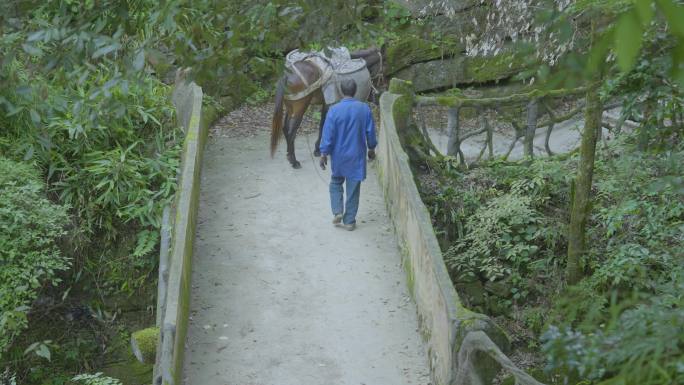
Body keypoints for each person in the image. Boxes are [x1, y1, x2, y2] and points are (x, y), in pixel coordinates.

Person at [318, 79, 377, 231]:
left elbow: (327, 134)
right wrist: (371, 148)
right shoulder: (364, 109)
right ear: (355, 90)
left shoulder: (334, 110)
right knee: (353, 189)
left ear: (341, 90)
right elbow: (370, 132)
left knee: (336, 183)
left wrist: (324, 153)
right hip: (356, 156)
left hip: (338, 156)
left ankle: (337, 211)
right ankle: (349, 221)